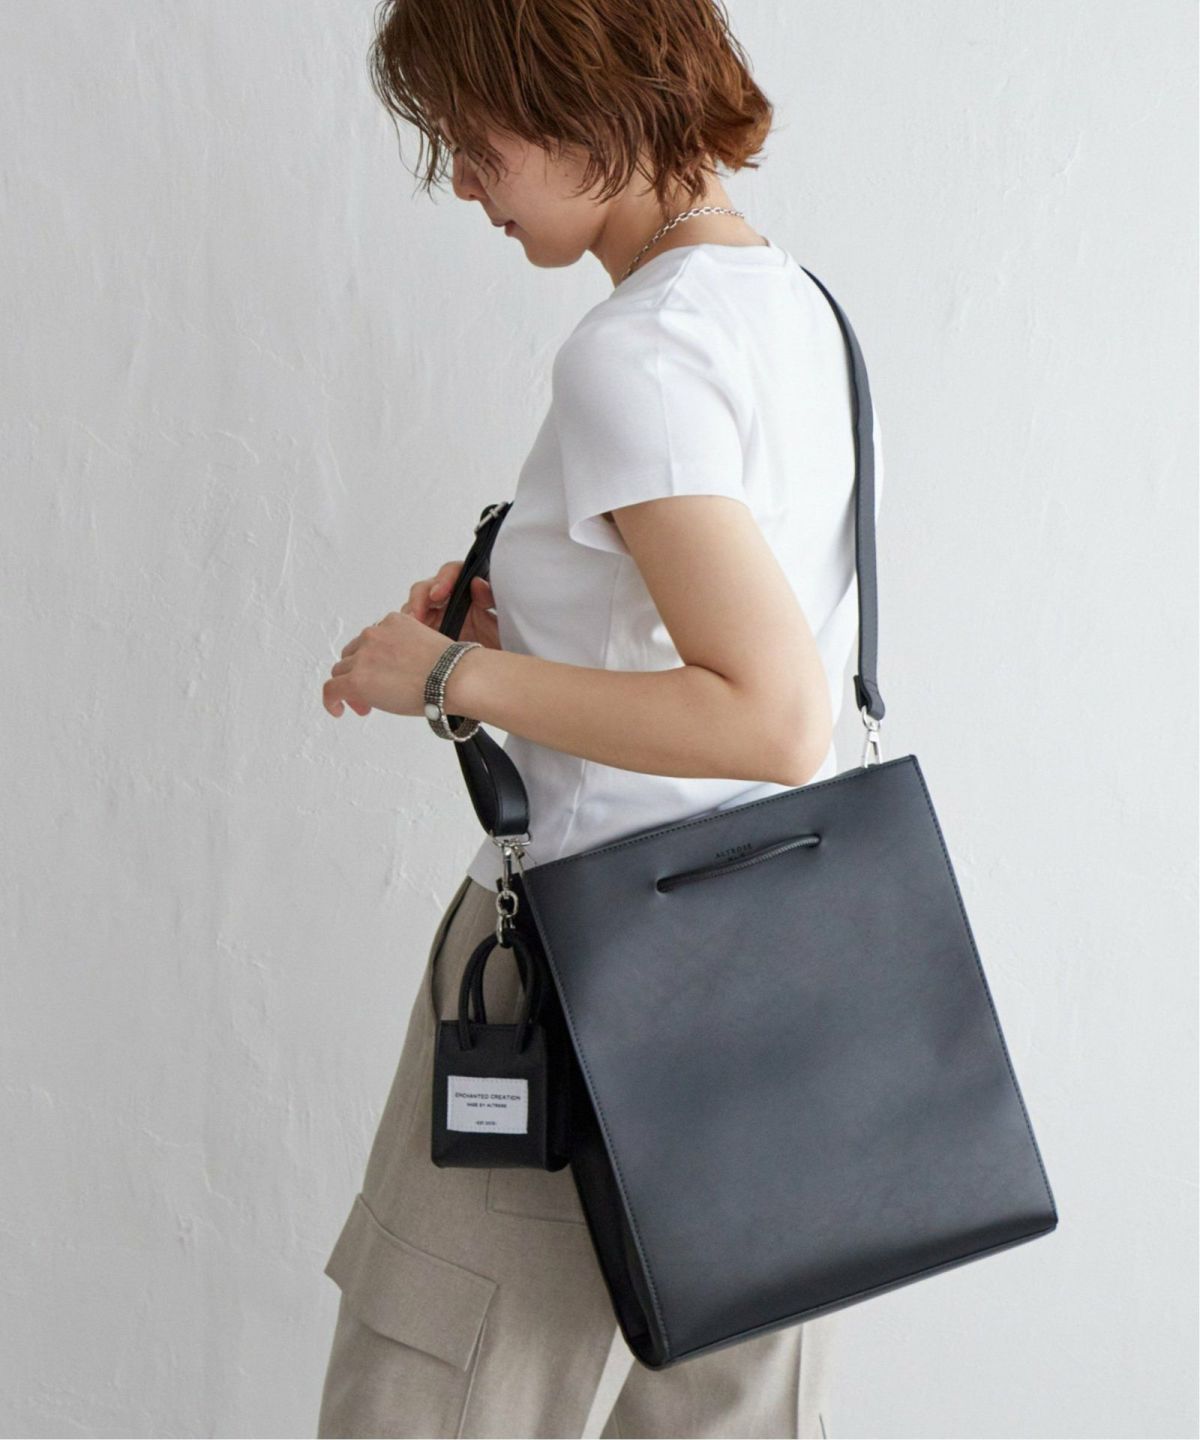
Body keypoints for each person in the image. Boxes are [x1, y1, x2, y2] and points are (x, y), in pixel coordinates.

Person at [318, 1, 883, 1434]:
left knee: (433, 1391)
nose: (462, 181)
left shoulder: (634, 352)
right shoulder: (795, 309)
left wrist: (442, 677)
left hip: (579, 968)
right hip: (780, 977)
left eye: (474, 138)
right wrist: (535, 621)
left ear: (585, 101)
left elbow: (769, 714)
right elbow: (735, 639)